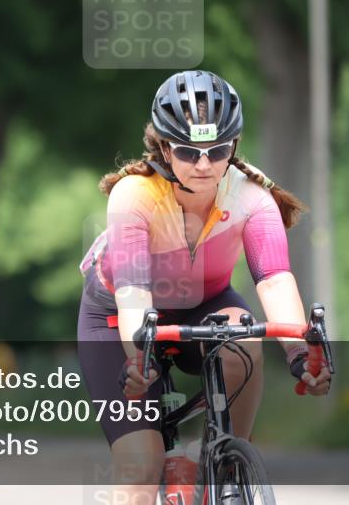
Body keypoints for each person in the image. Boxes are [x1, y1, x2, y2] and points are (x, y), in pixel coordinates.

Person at [76, 70, 331, 503]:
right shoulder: (134, 195)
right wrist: (139, 357)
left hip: (204, 304)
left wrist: (297, 350)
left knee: (244, 337)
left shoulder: (251, 196)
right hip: (120, 315)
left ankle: (227, 459)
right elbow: (133, 292)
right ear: (162, 147)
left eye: (217, 151)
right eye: (188, 151)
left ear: (233, 146)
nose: (203, 164)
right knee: (140, 468)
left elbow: (274, 279)